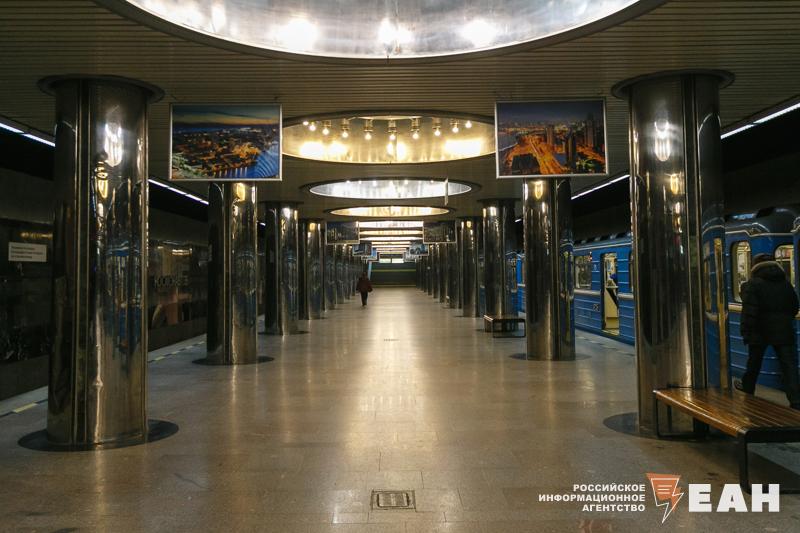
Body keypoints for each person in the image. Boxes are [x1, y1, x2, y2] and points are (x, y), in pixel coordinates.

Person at [736, 253, 800, 409]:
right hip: (783, 329)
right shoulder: (785, 284)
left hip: (759, 330)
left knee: (754, 363)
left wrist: (746, 332)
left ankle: (748, 389)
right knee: (788, 365)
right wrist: (783, 320)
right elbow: (794, 306)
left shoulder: (753, 284)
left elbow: (749, 312)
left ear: (755, 267)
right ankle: (796, 399)